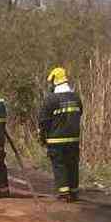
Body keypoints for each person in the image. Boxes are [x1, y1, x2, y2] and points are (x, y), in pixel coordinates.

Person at [39, 67, 83, 203]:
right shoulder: (76, 97)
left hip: (56, 139)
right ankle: (74, 191)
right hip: (74, 139)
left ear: (54, 82)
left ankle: (64, 193)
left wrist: (42, 136)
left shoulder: (51, 99)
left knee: (59, 165)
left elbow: (43, 121)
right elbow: (80, 113)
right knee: (72, 164)